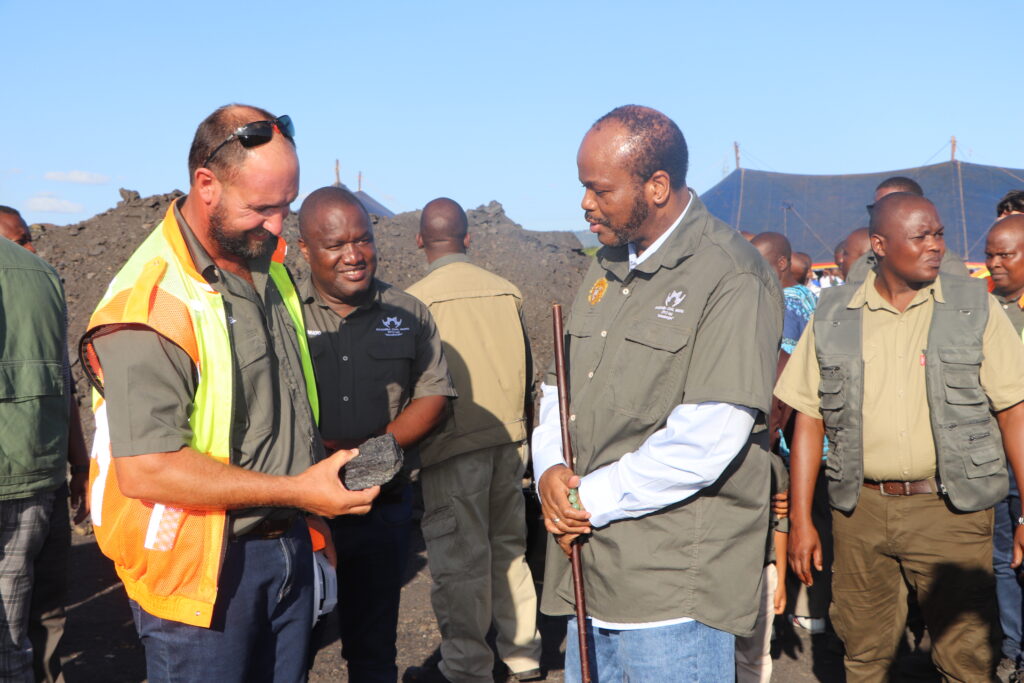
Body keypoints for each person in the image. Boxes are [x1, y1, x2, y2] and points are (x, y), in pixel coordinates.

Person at [78, 104, 379, 682]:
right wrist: (299, 492)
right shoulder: (153, 302)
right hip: (204, 570)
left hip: (290, 546)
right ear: (206, 185)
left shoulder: (265, 265)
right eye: (262, 208)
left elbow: (282, 410)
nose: (279, 226)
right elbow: (149, 469)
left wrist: (310, 521)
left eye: (287, 206)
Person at [531, 105, 783, 682]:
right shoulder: (603, 267)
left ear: (658, 186)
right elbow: (556, 389)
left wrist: (583, 499)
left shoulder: (730, 274)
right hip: (587, 572)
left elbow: (708, 438)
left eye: (600, 189)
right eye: (583, 187)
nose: (585, 203)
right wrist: (549, 471)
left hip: (671, 593)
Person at [778, 192, 1024, 681]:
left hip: (952, 512)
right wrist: (801, 521)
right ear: (880, 245)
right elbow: (808, 418)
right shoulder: (834, 312)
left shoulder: (973, 306)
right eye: (921, 236)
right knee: (864, 654)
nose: (936, 245)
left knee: (966, 658)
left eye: (939, 234)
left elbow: (1014, 412)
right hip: (860, 513)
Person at [296, 186, 455, 683]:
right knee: (292, 649)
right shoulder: (280, 314)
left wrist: (371, 453)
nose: (353, 255)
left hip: (380, 507)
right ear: (305, 249)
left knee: (372, 650)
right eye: (335, 245)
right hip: (301, 514)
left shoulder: (407, 313)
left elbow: (434, 395)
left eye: (362, 240)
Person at [403, 197, 544, 683]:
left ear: (419, 240)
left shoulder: (414, 302)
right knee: (509, 549)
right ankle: (524, 656)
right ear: (468, 238)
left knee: (460, 562)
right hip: (510, 443)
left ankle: (465, 668)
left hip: (451, 449)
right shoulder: (506, 292)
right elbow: (529, 375)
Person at [0, 229, 89, 683]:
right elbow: (63, 382)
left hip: (16, 477)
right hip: (42, 468)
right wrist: (80, 464)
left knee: (9, 635)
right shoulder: (41, 274)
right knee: (39, 618)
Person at [985, 214, 1024, 680]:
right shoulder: (981, 310)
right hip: (995, 458)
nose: (994, 263)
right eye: (990, 254)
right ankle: (1014, 648)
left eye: (1005, 255)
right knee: (1002, 559)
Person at [848, 178, 967, 282]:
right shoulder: (862, 266)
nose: (880, 213)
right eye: (876, 208)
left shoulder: (949, 268)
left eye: (891, 205)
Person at [752, 232, 816, 353]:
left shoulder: (783, 305)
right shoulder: (807, 294)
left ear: (781, 264)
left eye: (758, 265)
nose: (752, 271)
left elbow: (784, 357)